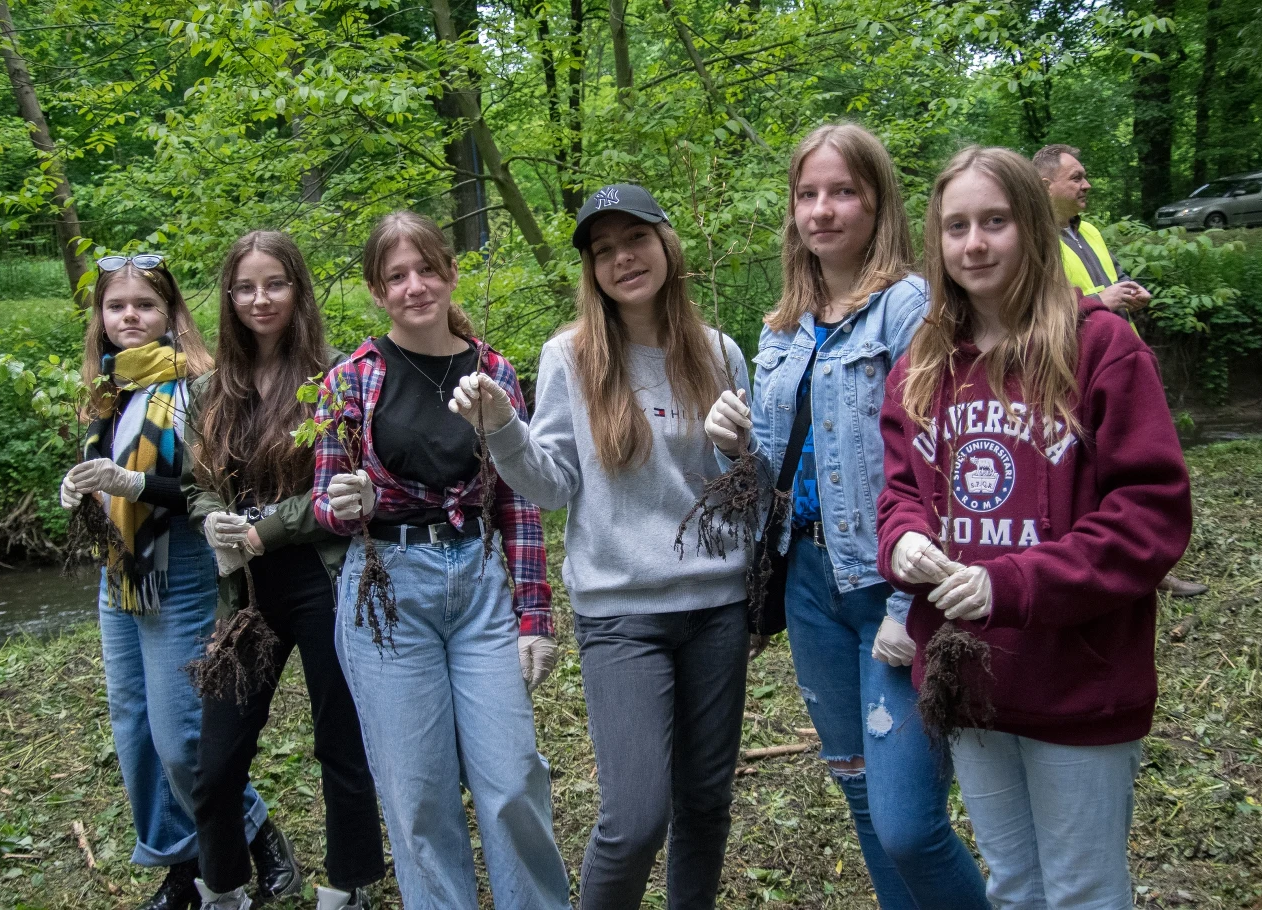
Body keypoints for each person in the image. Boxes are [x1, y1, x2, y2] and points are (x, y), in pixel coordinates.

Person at [876, 146, 1193, 909]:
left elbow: (1150, 515)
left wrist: (1010, 584)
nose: (974, 244)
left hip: (1079, 677)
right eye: (956, 226)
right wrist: (904, 540)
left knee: (1082, 891)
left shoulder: (1101, 348)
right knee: (1014, 885)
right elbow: (900, 492)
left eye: (995, 221)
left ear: (1032, 226)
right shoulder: (923, 363)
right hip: (972, 677)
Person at [702, 124, 988, 910]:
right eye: (807, 194)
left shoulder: (910, 309)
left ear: (877, 202)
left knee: (910, 826)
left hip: (891, 583)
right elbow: (769, 477)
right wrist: (732, 448)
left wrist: (907, 604)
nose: (822, 210)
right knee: (861, 798)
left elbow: (943, 465)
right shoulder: (782, 328)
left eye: (842, 192)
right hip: (809, 584)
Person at [450, 183, 752, 910]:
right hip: (621, 613)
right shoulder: (570, 356)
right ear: (591, 269)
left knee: (706, 803)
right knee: (635, 817)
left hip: (718, 605)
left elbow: (749, 487)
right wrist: (502, 428)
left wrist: (741, 451)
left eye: (636, 239)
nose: (624, 259)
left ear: (665, 243)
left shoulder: (719, 352)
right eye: (604, 250)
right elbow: (552, 485)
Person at [313, 211, 570, 910]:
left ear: (451, 273)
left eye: (427, 269)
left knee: (513, 777)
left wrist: (534, 616)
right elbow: (322, 503)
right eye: (396, 276)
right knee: (418, 793)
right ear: (376, 291)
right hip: (386, 594)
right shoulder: (349, 381)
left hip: (480, 586)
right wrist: (350, 503)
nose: (415, 286)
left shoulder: (494, 372)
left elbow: (517, 499)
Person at [181, 232, 385, 910]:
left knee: (340, 742)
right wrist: (211, 519)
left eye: (275, 284)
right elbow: (196, 483)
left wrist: (262, 530)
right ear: (229, 297)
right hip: (243, 590)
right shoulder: (212, 390)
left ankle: (347, 884)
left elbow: (342, 485)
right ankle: (224, 888)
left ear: (298, 289)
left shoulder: (336, 376)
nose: (260, 299)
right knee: (216, 757)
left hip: (321, 578)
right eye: (245, 287)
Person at [57, 253, 267, 910]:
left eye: (144, 305)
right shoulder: (105, 389)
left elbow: (214, 488)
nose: (130, 317)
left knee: (181, 737)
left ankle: (257, 835)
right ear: (100, 316)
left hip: (181, 571)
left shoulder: (197, 386)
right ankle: (182, 864)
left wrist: (133, 484)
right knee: (136, 733)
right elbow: (103, 471)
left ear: (171, 312)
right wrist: (82, 487)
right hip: (119, 576)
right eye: (116, 306)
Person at [1033, 143, 1207, 598]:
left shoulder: (1088, 231)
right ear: (1046, 186)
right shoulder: (1032, 240)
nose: (1086, 185)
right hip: (1070, 372)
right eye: (1076, 177)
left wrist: (1131, 290)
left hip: (1121, 363)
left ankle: (1150, 567)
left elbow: (1112, 278)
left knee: (1135, 467)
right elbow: (1034, 312)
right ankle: (1103, 569)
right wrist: (1099, 301)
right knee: (1089, 474)